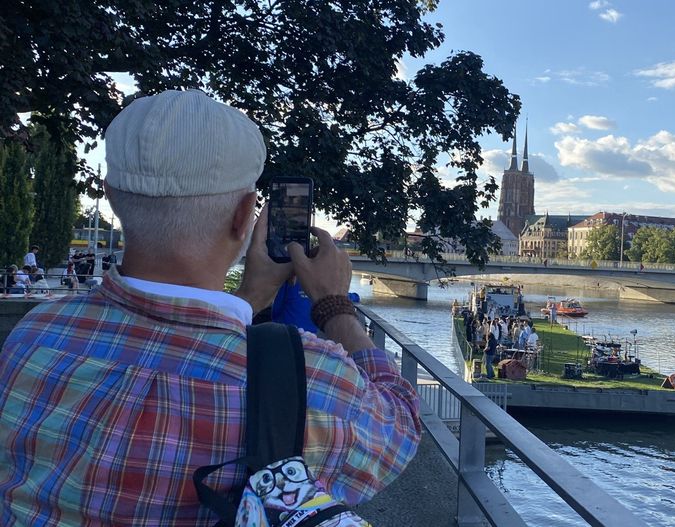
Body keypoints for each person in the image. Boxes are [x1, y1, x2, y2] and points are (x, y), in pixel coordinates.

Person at [0, 89, 420, 525]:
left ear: (110, 196)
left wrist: (252, 296)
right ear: (244, 216)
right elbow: (401, 427)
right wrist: (334, 306)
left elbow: (170, 346)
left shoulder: (36, 335)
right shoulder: (312, 376)